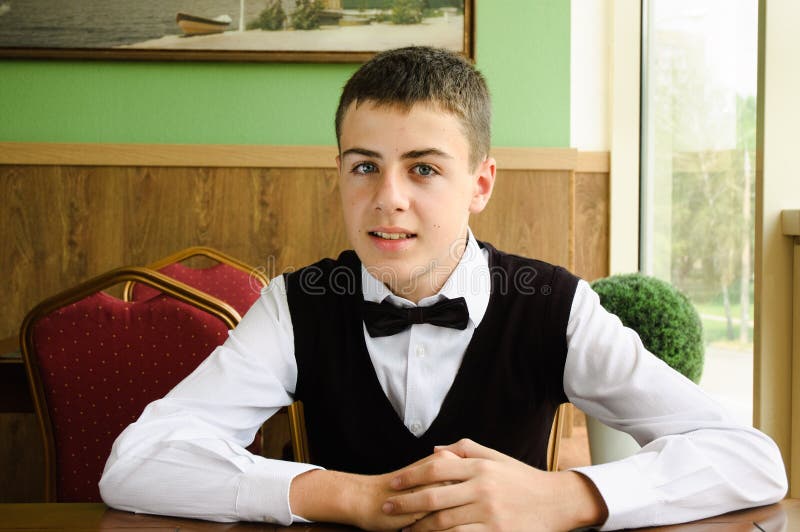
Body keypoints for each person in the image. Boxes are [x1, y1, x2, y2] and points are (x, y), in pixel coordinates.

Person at [100, 46, 787, 531]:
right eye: (364, 167)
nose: (387, 199)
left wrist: (568, 497)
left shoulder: (554, 304)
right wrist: (347, 497)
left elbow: (750, 461)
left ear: (480, 183)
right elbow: (136, 464)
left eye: (423, 169)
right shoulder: (295, 303)